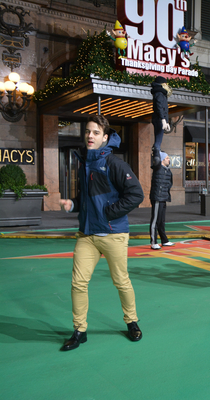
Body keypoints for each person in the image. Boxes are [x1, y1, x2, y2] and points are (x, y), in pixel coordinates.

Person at [58, 115, 144, 351]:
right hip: (87, 234)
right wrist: (73, 205)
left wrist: (108, 213)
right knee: (78, 283)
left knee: (121, 281)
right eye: (87, 131)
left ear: (105, 138)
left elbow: (136, 194)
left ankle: (132, 322)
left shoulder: (115, 164)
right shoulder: (84, 162)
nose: (90, 136)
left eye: (95, 132)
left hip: (113, 233)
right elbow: (87, 199)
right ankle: (80, 330)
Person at [149, 151, 175, 250]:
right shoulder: (158, 168)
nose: (169, 159)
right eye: (167, 158)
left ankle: (164, 240)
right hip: (157, 197)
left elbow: (169, 184)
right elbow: (156, 156)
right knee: (155, 220)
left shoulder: (167, 170)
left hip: (164, 197)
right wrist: (156, 148)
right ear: (162, 159)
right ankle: (153, 242)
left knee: (161, 220)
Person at [151, 76, 171, 167]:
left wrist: (165, 121)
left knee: (158, 139)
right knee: (158, 140)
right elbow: (160, 107)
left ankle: (157, 155)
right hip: (159, 119)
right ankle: (157, 157)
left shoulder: (158, 93)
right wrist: (163, 120)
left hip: (159, 118)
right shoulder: (159, 93)